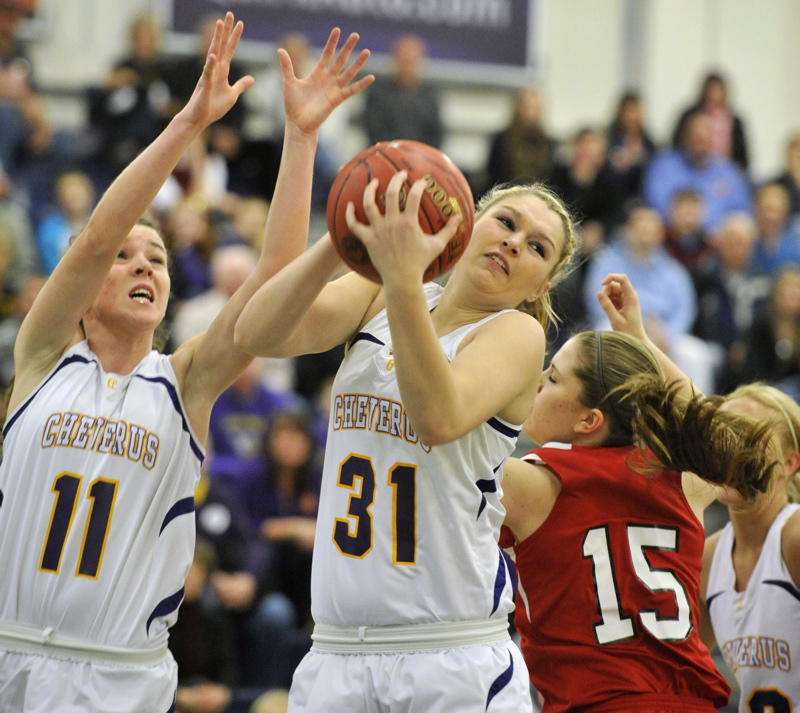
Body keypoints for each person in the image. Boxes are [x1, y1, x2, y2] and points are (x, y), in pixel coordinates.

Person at [0, 17, 373, 712]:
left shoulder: (185, 382)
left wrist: (301, 137)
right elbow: (95, 238)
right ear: (83, 290)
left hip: (119, 675)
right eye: (126, 257)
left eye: (160, 259)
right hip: (8, 652)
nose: (144, 262)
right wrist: (188, 125)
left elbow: (272, 284)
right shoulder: (44, 353)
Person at [234, 176, 580, 712]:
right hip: (337, 650)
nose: (515, 241)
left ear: (540, 288)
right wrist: (343, 236)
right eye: (507, 222)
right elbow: (257, 334)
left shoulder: (516, 334)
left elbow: (438, 417)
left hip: (449, 655)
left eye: (537, 247)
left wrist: (399, 278)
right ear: (466, 226)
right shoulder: (381, 292)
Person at [501, 272, 775, 713]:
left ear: (589, 421)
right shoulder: (683, 479)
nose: (537, 382)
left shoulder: (534, 482)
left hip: (599, 704)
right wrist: (639, 339)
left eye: (552, 378)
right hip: (690, 704)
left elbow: (439, 430)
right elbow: (716, 435)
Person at [699, 383, 800, 713]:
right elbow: (677, 668)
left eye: (748, 439)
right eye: (722, 437)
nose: (732, 452)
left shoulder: (794, 538)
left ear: (789, 463)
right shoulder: (710, 558)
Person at [644, 109, 752, 233]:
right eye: (696, 135)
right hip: (669, 240)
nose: (700, 140)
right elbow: (654, 204)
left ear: (713, 138)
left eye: (705, 135)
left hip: (717, 244)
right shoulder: (663, 166)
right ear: (685, 136)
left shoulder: (730, 173)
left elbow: (741, 212)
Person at [362, 34, 444, 149]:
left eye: (411, 62)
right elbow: (374, 130)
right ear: (395, 60)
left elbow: (436, 134)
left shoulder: (430, 95)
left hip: (420, 158)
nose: (407, 68)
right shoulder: (378, 91)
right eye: (404, 61)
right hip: (382, 155)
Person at [671, 71, 750, 175]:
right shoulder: (689, 116)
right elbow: (675, 146)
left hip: (725, 177)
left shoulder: (735, 122)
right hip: (689, 171)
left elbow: (742, 158)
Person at [485, 85, 557, 190]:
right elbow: (493, 178)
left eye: (535, 107)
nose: (530, 113)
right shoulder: (501, 141)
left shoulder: (548, 144)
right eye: (527, 106)